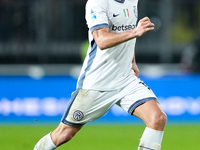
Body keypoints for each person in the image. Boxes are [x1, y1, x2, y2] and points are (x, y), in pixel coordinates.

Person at [33, 0, 167, 149]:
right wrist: (136, 31)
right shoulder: (97, 3)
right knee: (64, 134)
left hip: (125, 79)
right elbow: (102, 40)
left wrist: (132, 60)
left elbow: (126, 28)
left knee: (157, 118)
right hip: (97, 83)